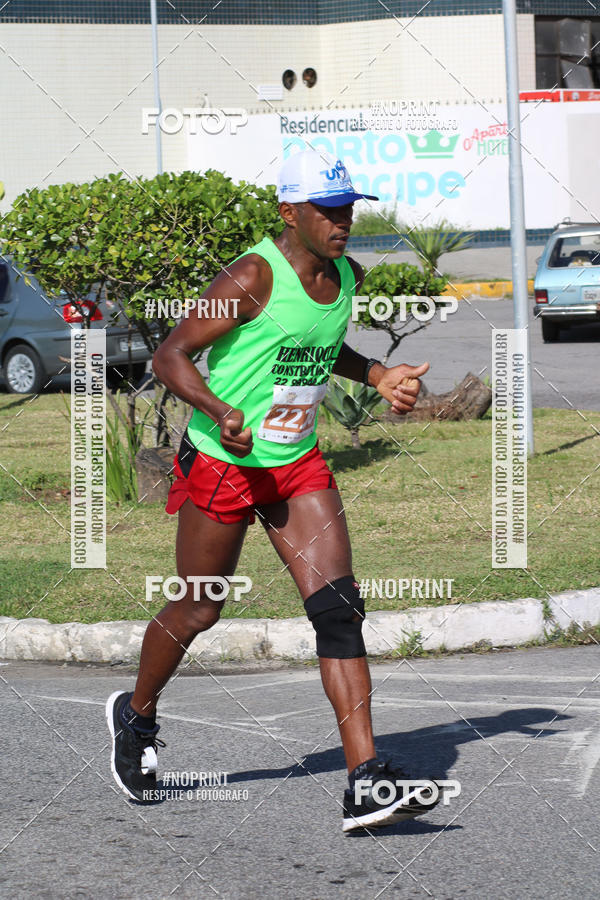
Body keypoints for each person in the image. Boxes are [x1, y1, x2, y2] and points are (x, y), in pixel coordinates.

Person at [106, 150, 439, 831]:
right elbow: (170, 355)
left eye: (348, 209)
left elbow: (319, 344)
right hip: (223, 462)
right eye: (328, 210)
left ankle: (365, 780)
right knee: (200, 607)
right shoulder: (251, 276)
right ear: (290, 212)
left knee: (339, 610)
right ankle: (136, 717)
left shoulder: (346, 276)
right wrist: (221, 410)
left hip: (295, 464)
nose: (343, 222)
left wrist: (377, 374)